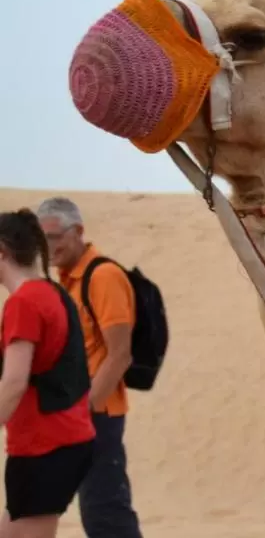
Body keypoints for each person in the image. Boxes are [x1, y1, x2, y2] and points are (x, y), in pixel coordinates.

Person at [36, 197, 143, 538]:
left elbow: (120, 354)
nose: (49, 247)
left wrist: (83, 412)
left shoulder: (103, 276)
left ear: (78, 231)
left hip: (98, 414)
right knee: (98, 511)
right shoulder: (68, 280)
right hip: (78, 415)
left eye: (55, 237)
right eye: (43, 239)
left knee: (105, 512)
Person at [0, 208, 96, 537]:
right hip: (63, 442)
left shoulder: (23, 303)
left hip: (44, 448)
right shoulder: (52, 293)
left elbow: (13, 383)